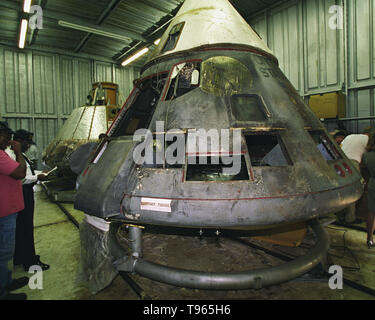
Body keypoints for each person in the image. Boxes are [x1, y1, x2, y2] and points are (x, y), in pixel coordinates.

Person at [6, 129, 50, 272]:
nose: (29, 146)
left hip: (25, 194)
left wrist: (39, 174)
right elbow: (22, 177)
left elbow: (28, 172)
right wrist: (38, 177)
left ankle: (20, 256)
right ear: (17, 140)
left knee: (23, 228)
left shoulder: (20, 155)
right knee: (25, 228)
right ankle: (29, 262)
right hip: (22, 194)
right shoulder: (12, 155)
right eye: (26, 142)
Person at [0, 122, 29, 300]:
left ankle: (6, 281)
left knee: (5, 252)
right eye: (7, 136)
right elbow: (20, 173)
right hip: (4, 213)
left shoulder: (3, 154)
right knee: (3, 253)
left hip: (7, 211)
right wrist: (19, 153)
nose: (10, 140)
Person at [339, 126, 375, 223]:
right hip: (352, 164)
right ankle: (350, 218)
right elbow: (369, 156)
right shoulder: (368, 140)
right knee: (354, 191)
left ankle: (340, 215)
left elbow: (339, 148)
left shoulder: (350, 136)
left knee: (342, 191)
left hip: (339, 164)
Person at [362, 131, 375, 248]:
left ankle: (369, 238)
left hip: (372, 184)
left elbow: (364, 171)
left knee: (371, 212)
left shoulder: (367, 155)